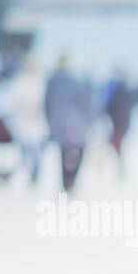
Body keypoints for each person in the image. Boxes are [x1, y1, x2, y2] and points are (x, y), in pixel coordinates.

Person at [44, 55, 94, 192]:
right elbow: (84, 105)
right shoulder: (75, 82)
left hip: (59, 124)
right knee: (78, 151)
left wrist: (50, 123)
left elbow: (47, 105)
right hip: (74, 125)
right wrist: (87, 123)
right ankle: (70, 181)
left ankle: (66, 183)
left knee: (64, 152)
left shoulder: (52, 82)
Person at [1, 56, 49, 186]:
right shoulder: (20, 81)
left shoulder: (40, 80)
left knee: (34, 151)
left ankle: (33, 173)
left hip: (36, 122)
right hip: (24, 123)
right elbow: (14, 102)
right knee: (27, 150)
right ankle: (28, 173)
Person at [101, 68, 138, 176]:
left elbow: (110, 105)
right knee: (115, 143)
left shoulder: (118, 89)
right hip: (121, 121)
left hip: (118, 121)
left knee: (115, 143)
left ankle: (117, 167)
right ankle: (115, 166)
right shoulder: (126, 88)